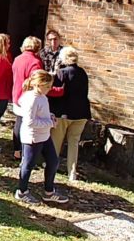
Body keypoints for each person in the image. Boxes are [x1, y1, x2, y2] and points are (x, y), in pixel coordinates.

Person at [14, 70, 69, 205]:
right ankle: (22, 191)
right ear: (38, 84)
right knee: (28, 165)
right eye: (47, 87)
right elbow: (30, 122)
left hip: (44, 135)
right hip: (33, 137)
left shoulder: (42, 96)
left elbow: (41, 113)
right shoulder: (31, 99)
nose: (50, 89)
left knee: (53, 161)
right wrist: (49, 123)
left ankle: (49, 192)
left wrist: (49, 116)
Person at [49, 46, 91, 182]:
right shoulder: (83, 72)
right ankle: (72, 172)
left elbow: (56, 93)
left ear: (64, 58)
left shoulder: (62, 73)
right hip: (81, 113)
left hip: (63, 113)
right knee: (74, 143)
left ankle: (51, 168)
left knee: (56, 142)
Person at [11, 36, 44, 159]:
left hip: (16, 93)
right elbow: (37, 80)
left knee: (18, 121)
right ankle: (25, 152)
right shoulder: (35, 62)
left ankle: (16, 150)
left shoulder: (17, 59)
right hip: (28, 96)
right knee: (27, 124)